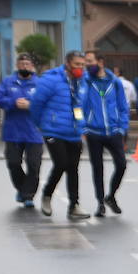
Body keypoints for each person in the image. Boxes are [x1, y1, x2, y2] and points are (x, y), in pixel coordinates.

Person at [28, 50, 91, 219]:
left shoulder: (82, 82)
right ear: (68, 63)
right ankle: (47, 196)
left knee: (73, 168)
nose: (80, 68)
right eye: (77, 64)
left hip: (73, 132)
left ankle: (74, 205)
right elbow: (36, 104)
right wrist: (40, 125)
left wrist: (81, 125)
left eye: (83, 65)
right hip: (53, 130)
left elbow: (79, 106)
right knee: (61, 163)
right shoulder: (51, 79)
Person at [82, 50, 130, 216]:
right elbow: (78, 106)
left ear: (100, 62)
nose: (87, 65)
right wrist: (83, 126)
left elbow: (123, 107)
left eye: (89, 61)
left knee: (122, 165)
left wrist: (122, 127)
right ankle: (100, 203)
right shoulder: (85, 82)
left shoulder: (115, 82)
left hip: (114, 131)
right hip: (93, 132)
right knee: (98, 168)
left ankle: (111, 196)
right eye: (85, 62)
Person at [0, 53, 43, 209]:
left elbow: (47, 102)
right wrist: (13, 102)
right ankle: (23, 190)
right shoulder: (8, 82)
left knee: (34, 165)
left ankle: (28, 196)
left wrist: (31, 105)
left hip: (33, 132)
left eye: (28, 64)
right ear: (17, 65)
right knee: (13, 163)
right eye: (22, 63)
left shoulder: (40, 83)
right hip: (13, 131)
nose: (25, 66)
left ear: (32, 66)